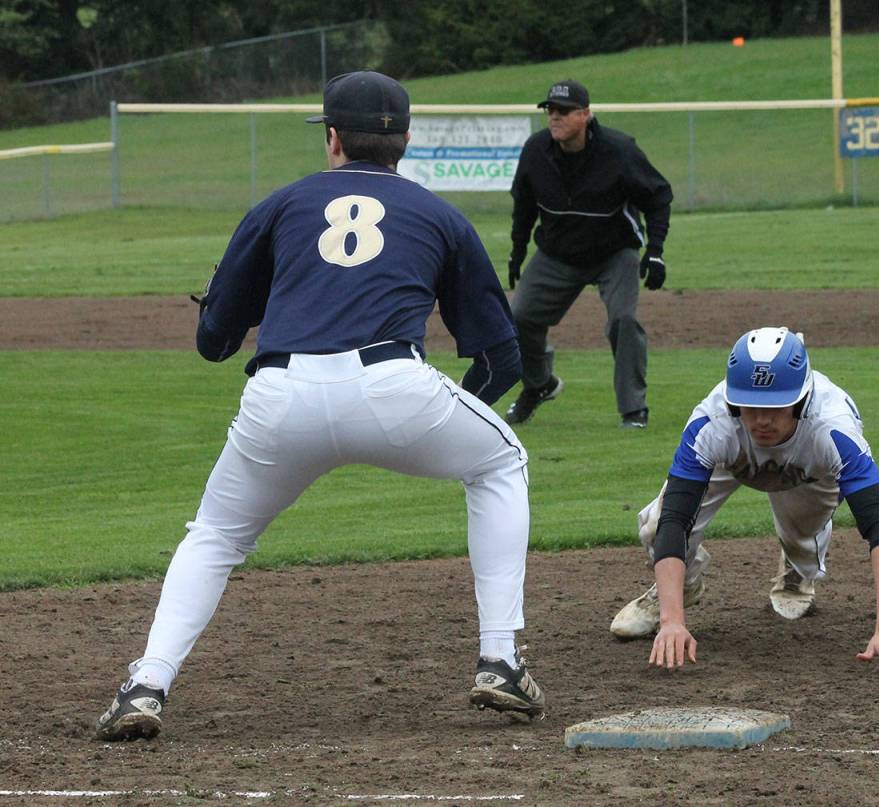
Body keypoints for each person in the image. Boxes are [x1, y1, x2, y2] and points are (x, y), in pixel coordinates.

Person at [95, 71, 546, 741]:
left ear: (331, 138)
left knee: (215, 535)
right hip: (396, 386)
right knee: (500, 461)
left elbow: (214, 342)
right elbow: (502, 359)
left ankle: (146, 684)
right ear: (406, 141)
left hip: (280, 393)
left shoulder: (281, 205)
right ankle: (500, 661)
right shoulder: (440, 214)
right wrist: (429, 428)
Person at [610, 327, 879, 677]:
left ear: (801, 399)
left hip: (810, 469)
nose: (762, 419)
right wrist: (673, 621)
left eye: (776, 407)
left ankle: (797, 566)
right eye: (751, 406)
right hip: (731, 460)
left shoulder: (832, 430)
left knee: (802, 540)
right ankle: (677, 590)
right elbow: (676, 518)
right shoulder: (712, 422)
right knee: (657, 527)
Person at [504, 79, 674, 429]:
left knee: (623, 321)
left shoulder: (619, 150)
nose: (554, 117)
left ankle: (633, 410)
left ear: (585, 114)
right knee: (517, 318)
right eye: (549, 110)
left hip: (614, 251)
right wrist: (517, 252)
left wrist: (655, 252)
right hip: (557, 253)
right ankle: (539, 385)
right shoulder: (536, 151)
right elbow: (524, 206)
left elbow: (658, 196)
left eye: (563, 111)